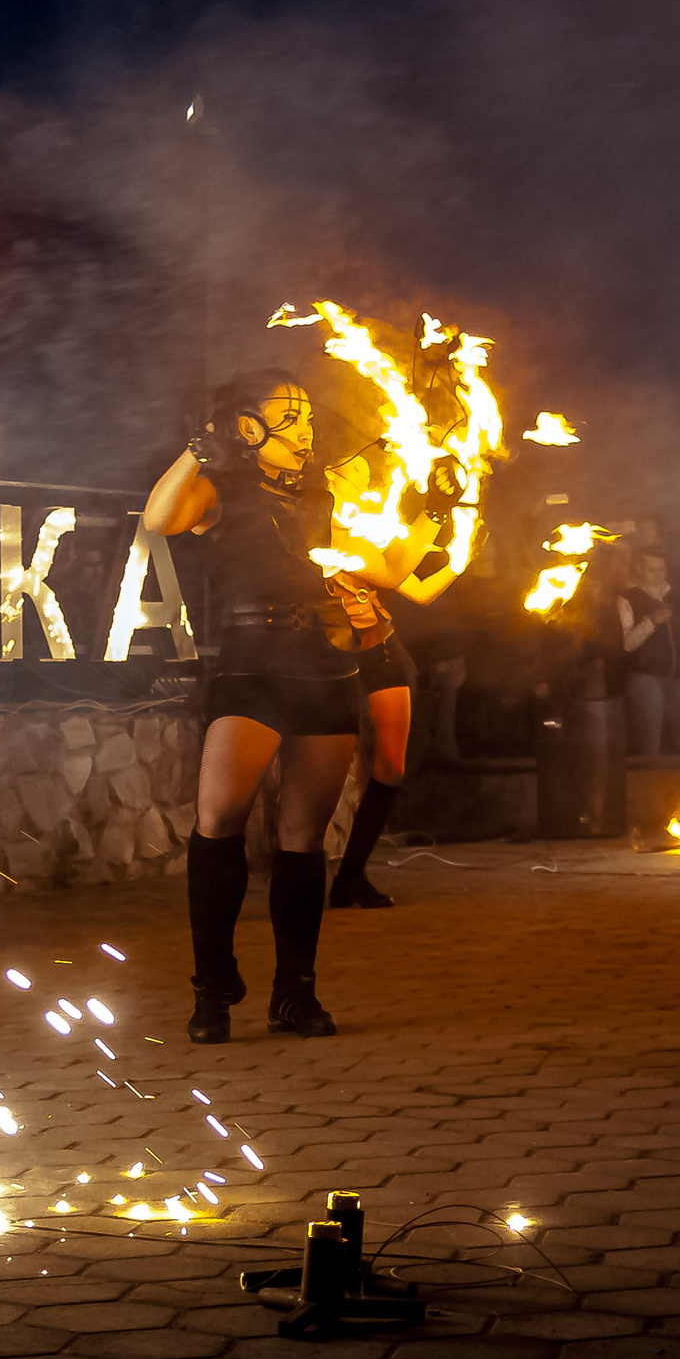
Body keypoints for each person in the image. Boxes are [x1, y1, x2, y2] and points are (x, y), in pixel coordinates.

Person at [143, 374, 431, 1044]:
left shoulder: (323, 497)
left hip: (325, 666)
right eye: (288, 416)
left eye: (307, 414)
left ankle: (294, 993)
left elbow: (381, 565)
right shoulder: (220, 490)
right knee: (217, 819)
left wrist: (439, 510)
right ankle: (212, 989)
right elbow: (157, 520)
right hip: (249, 667)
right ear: (248, 428)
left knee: (302, 838)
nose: (305, 428)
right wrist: (198, 447)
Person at [326, 455, 470, 908]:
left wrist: (460, 558)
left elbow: (418, 590)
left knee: (390, 768)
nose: (365, 476)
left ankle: (351, 876)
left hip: (383, 652)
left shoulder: (369, 530)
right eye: (353, 470)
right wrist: (435, 508)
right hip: (328, 659)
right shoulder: (317, 529)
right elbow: (386, 571)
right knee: (325, 770)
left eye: (366, 472)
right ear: (328, 477)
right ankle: (304, 876)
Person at [618, 550, 680, 755]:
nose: (658, 574)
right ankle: (650, 778)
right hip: (646, 677)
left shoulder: (677, 595)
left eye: (661, 569)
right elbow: (627, 643)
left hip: (679, 676)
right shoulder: (628, 598)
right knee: (650, 739)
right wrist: (651, 622)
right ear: (639, 569)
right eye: (651, 569)